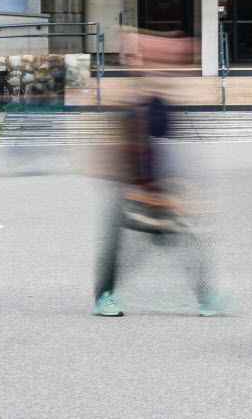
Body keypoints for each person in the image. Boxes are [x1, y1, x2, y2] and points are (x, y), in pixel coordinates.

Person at [92, 36, 223, 318]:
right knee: (122, 245)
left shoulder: (158, 98)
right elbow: (130, 143)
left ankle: (207, 296)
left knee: (183, 238)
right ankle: (103, 295)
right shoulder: (134, 99)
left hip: (159, 183)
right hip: (132, 182)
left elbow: (167, 137)